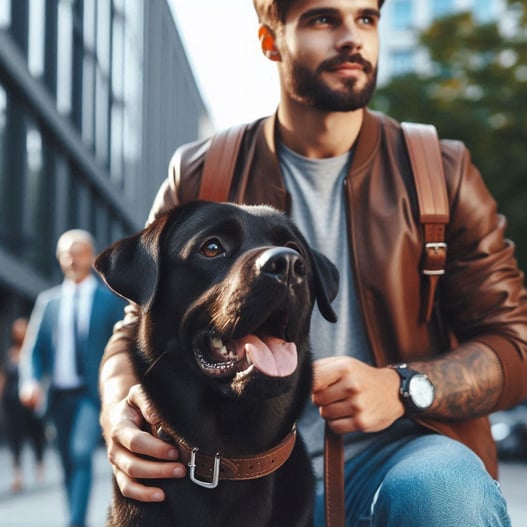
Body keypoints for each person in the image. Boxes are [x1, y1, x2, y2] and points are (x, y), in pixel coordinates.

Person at [98, 1, 527, 525]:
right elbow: (136, 321)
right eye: (324, 19)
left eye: (365, 18)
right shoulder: (201, 170)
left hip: (398, 455)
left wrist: (401, 386)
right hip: (229, 467)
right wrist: (121, 409)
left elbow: (515, 341)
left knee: (446, 489)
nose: (352, 38)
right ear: (270, 41)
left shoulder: (441, 169)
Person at [19, 229, 126, 527]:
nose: (71, 258)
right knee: (66, 460)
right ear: (58, 258)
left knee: (81, 453)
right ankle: (75, 517)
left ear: (91, 256)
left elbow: (124, 345)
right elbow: (34, 351)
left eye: (78, 251)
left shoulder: (109, 302)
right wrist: (31, 381)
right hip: (58, 396)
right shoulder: (48, 303)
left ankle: (75, 522)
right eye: (66, 252)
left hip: (91, 395)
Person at [0, 317, 46, 492]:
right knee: (15, 438)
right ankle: (17, 474)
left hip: (30, 403)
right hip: (12, 403)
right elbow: (3, 378)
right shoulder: (9, 354)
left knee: (36, 434)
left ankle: (39, 464)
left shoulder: (33, 353)